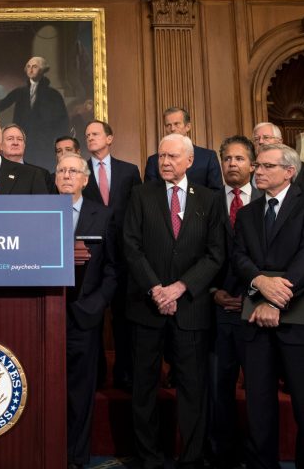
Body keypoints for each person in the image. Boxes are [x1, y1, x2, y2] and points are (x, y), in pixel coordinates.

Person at [124, 133, 225, 469]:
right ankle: (149, 457)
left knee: (193, 388)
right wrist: (156, 289)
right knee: (144, 388)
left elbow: (216, 254)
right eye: (161, 156)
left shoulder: (209, 199)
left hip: (190, 308)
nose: (164, 162)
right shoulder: (140, 195)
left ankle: (192, 458)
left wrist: (180, 287)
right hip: (147, 306)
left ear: (190, 161)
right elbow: (131, 246)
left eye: (172, 156)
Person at [233, 143, 304, 469]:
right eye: (257, 166)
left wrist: (275, 301)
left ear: (290, 171)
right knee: (258, 408)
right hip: (255, 319)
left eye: (267, 166)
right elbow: (239, 257)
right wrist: (260, 282)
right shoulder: (247, 213)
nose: (258, 171)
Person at [56, 153, 116, 469]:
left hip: (83, 316)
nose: (67, 175)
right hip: (45, 316)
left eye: (73, 171)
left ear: (85, 178)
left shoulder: (103, 215)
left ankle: (75, 457)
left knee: (79, 393)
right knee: (46, 388)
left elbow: (114, 269)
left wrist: (95, 305)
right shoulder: (39, 212)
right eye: (61, 170)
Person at [208, 135, 262, 468]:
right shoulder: (208, 201)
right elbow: (195, 250)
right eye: (227, 158)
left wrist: (250, 295)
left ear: (253, 165)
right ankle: (222, 456)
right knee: (219, 388)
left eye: (239, 158)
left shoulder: (266, 199)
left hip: (257, 308)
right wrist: (213, 291)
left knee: (258, 388)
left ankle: (257, 455)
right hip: (217, 307)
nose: (232, 164)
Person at [83, 119, 141, 392]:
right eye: (87, 135)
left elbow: (138, 211)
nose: (90, 138)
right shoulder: (80, 171)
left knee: (124, 318)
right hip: (92, 254)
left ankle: (125, 373)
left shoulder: (129, 171)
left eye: (95, 134)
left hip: (125, 256)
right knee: (92, 316)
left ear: (109, 138)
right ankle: (95, 375)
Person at [0, 56, 69, 168]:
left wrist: (59, 142)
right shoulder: (20, 92)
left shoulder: (53, 95)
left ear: (43, 70)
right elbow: (2, 104)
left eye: (35, 67)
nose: (30, 69)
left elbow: (62, 120)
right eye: (28, 67)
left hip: (44, 144)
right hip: (23, 143)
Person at [143, 107, 223, 191]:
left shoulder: (208, 157)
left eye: (176, 124)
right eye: (168, 125)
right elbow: (148, 193)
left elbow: (216, 192)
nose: (172, 129)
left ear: (188, 126)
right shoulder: (153, 160)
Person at [252, 122, 304, 189]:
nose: (260, 142)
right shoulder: (249, 167)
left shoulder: (302, 169)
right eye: (256, 139)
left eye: (266, 137)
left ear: (279, 142)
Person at [1, 123, 52, 190]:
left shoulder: (42, 174)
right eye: (10, 139)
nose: (15, 143)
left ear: (24, 145)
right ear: (0, 145)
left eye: (19, 139)